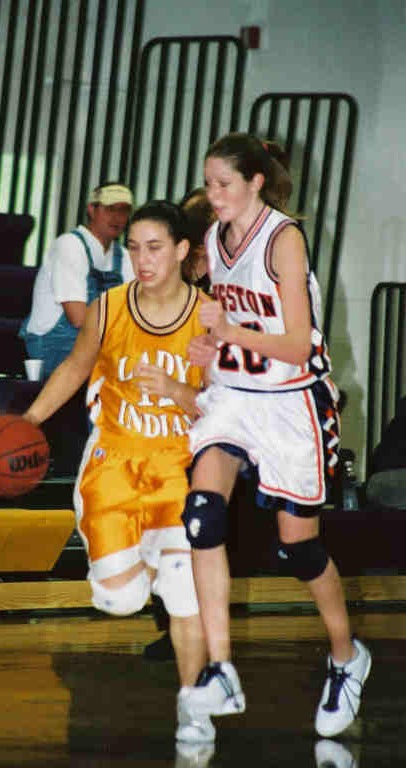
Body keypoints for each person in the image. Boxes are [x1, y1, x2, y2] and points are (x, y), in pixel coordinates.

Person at [179, 132, 371, 740]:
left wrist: (229, 330)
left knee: (299, 551)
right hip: (236, 399)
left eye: (223, 184)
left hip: (292, 404)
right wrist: (210, 345)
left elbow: (292, 344)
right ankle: (220, 668)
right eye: (208, 184)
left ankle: (346, 657)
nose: (213, 196)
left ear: (256, 181)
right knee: (202, 517)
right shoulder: (214, 237)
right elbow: (231, 332)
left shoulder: (284, 238)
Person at [23, 200, 215, 744]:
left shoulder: (210, 315)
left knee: (185, 596)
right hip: (114, 466)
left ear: (182, 251)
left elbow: (226, 405)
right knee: (120, 601)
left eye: (155, 247)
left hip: (179, 469)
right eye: (133, 248)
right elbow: (76, 366)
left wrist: (180, 392)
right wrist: (29, 421)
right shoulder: (108, 306)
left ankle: (193, 707)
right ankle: (152, 570)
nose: (142, 259)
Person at [143, 187, 215, 663]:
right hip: (157, 427)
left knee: (190, 533)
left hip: (201, 427)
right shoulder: (164, 292)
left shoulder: (214, 301)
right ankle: (172, 624)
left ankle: (189, 628)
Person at [19, 182, 135, 378]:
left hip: (98, 346)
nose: (117, 217)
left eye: (123, 211)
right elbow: (78, 317)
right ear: (91, 209)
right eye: (109, 209)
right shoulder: (69, 245)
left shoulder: (124, 256)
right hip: (53, 350)